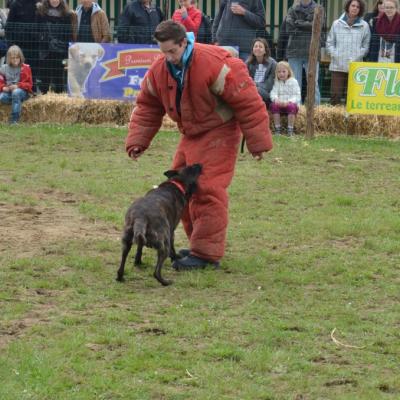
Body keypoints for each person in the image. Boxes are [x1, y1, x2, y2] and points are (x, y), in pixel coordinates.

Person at [125, 21, 273, 270]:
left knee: (207, 189)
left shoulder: (213, 62)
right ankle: (198, 245)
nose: (168, 58)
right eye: (163, 52)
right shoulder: (161, 69)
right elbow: (148, 104)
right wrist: (138, 141)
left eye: (172, 51)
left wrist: (257, 143)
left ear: (184, 42)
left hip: (220, 131)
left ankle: (206, 254)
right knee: (178, 190)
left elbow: (247, 100)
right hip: (192, 133)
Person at [326, 0, 370, 105]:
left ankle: (350, 119)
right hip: (337, 65)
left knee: (352, 97)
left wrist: (356, 57)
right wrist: (336, 55)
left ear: (360, 9)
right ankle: (335, 119)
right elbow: (329, 43)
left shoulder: (364, 26)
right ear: (348, 7)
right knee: (335, 96)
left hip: (355, 67)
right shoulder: (336, 24)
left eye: (358, 7)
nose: (355, 8)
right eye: (353, 5)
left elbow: (366, 46)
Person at [285, 0, 323, 105]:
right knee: (294, 82)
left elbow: (317, 26)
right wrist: (308, 25)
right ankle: (296, 109)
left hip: (313, 51)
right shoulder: (292, 9)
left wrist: (298, 23)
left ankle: (316, 110)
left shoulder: (319, 9)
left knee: (313, 83)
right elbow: (289, 28)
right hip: (294, 51)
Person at [36, 0, 76, 94]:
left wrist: (63, 45)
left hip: (60, 50)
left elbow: (68, 33)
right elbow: (36, 29)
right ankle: (43, 97)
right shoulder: (40, 12)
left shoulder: (67, 14)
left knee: (59, 78)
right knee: (44, 78)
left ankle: (59, 95)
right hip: (45, 50)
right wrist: (43, 38)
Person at [5, 0, 39, 92]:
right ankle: (16, 93)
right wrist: (11, 44)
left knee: (33, 70)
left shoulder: (39, 4)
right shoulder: (15, 4)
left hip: (34, 44)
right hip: (19, 44)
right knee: (17, 71)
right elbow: (9, 25)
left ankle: (33, 92)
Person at [0, 45, 32, 123]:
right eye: (13, 58)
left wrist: (18, 86)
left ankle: (14, 120)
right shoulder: (4, 68)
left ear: (20, 57)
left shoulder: (25, 68)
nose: (15, 60)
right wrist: (3, 87)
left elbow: (29, 84)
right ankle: (17, 101)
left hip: (22, 92)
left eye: (17, 58)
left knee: (16, 92)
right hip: (9, 92)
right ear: (8, 58)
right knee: (1, 97)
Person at [269, 61, 301, 136]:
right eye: (279, 72)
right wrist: (276, 99)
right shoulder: (277, 82)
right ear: (276, 73)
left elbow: (297, 95)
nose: (281, 74)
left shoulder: (294, 82)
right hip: (280, 104)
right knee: (273, 106)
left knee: (292, 107)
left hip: (290, 104)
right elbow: (273, 93)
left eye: (284, 71)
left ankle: (290, 129)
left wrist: (289, 102)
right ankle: (277, 129)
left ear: (288, 72)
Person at [246, 37, 276, 106]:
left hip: (267, 93)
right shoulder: (248, 63)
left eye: (260, 47)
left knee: (256, 91)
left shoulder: (273, 64)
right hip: (251, 90)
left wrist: (254, 86)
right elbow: (245, 79)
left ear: (265, 50)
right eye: (255, 46)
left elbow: (269, 85)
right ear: (253, 49)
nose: (258, 48)